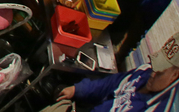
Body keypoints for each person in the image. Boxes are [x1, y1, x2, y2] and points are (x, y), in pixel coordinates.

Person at [46, 31, 179, 112]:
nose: (153, 73)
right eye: (154, 65)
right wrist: (77, 89)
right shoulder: (145, 71)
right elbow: (111, 83)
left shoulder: (158, 108)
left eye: (159, 72)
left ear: (174, 75)